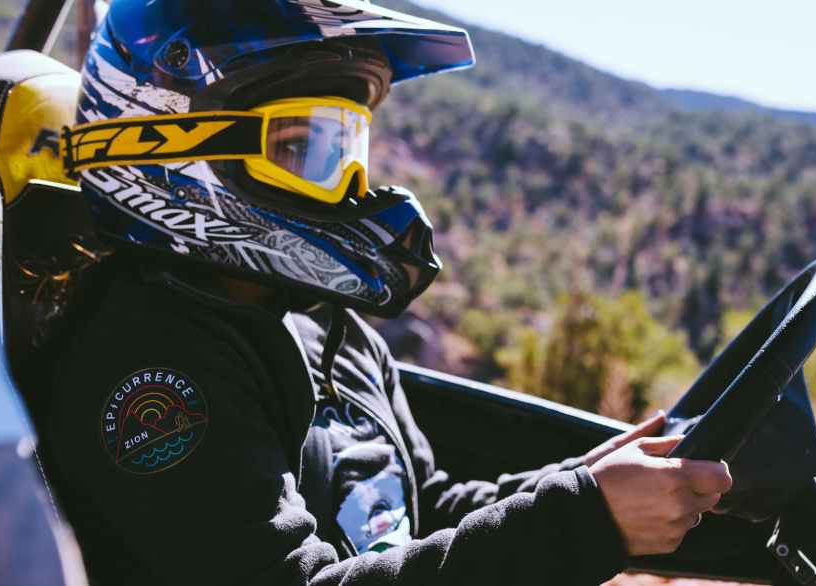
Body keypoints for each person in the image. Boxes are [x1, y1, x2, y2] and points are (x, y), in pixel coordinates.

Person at [39, 1, 732, 584]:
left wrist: (586, 482)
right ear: (175, 151)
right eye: (305, 149)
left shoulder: (321, 324)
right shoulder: (147, 366)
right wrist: (582, 520)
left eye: (347, 149)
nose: (347, 186)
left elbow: (417, 509)